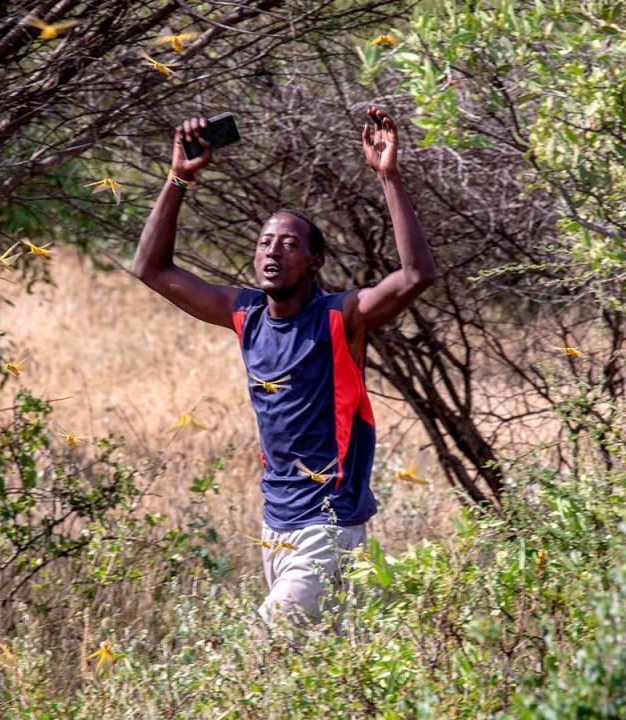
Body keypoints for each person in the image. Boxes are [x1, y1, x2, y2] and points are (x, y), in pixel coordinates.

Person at [132, 106, 436, 629]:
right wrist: (179, 178)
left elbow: (416, 275)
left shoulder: (340, 318)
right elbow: (151, 269)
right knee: (318, 669)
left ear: (314, 263)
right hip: (275, 528)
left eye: (289, 244)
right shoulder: (245, 315)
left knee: (262, 652)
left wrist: (388, 177)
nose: (273, 250)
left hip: (328, 526)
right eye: (266, 242)